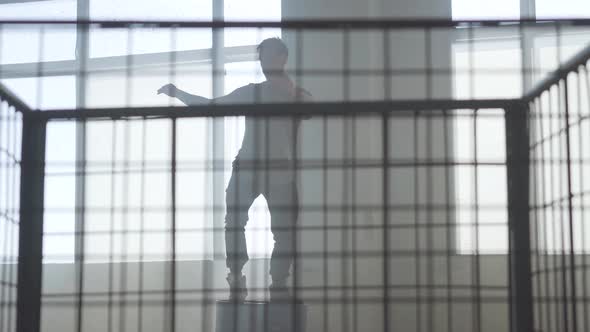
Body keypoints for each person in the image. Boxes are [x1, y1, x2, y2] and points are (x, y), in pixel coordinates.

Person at [158, 38, 312, 302]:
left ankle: (278, 283)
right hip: (248, 168)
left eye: (268, 58)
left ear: (282, 58)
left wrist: (287, 90)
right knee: (235, 223)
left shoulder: (296, 95)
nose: (263, 65)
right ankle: (237, 277)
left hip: (280, 172)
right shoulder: (253, 91)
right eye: (261, 59)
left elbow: (310, 107)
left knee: (285, 231)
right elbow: (211, 106)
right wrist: (179, 93)